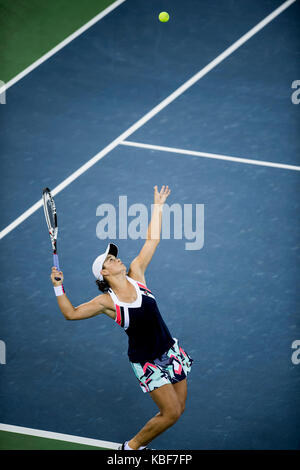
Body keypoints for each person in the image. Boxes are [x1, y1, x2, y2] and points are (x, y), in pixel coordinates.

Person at [50, 185, 193, 450]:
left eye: (114, 257)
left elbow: (152, 240)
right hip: (147, 362)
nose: (116, 259)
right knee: (171, 413)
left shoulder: (137, 274)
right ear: (103, 273)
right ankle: (130, 449)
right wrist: (58, 286)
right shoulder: (107, 302)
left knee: (179, 408)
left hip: (169, 350)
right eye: (110, 260)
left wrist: (158, 206)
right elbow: (71, 313)